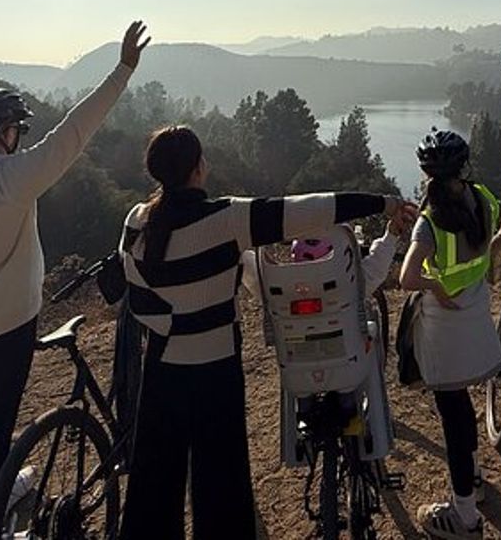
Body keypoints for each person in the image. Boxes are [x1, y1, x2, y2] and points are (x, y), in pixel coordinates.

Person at [0, 15, 148, 540]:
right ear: (3, 132)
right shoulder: (13, 180)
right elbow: (73, 134)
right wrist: (122, 70)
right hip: (5, 330)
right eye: (15, 130)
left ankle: (5, 489)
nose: (19, 138)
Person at [117, 124, 409, 539]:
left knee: (153, 483)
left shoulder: (137, 221)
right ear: (199, 168)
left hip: (161, 365)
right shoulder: (228, 219)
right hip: (215, 368)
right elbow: (313, 208)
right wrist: (385, 201)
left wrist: (172, 322)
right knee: (220, 484)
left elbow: (135, 291)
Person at [399, 129, 501, 540]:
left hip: (444, 324)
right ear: (463, 166)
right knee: (461, 409)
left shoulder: (429, 221)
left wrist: (436, 286)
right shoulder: (483, 198)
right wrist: (493, 247)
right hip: (474, 313)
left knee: (452, 414)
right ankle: (471, 481)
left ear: (425, 172)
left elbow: (407, 278)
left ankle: (466, 517)